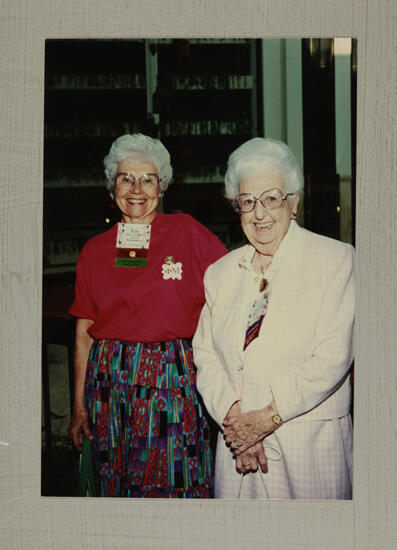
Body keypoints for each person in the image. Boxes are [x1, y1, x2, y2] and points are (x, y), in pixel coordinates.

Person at [193, 137, 355, 499]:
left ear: (293, 203)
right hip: (238, 453)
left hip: (307, 448)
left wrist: (264, 421)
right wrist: (235, 420)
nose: (259, 213)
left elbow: (332, 358)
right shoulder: (220, 273)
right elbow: (204, 353)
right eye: (248, 201)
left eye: (271, 198)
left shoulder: (336, 260)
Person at [68, 133, 227, 497]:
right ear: (112, 188)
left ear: (162, 187)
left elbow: (231, 290)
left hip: (171, 377)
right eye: (126, 178)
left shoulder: (187, 232)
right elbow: (84, 331)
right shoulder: (94, 251)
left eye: (147, 179)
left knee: (175, 478)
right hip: (110, 381)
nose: (136, 188)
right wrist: (78, 406)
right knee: (116, 480)